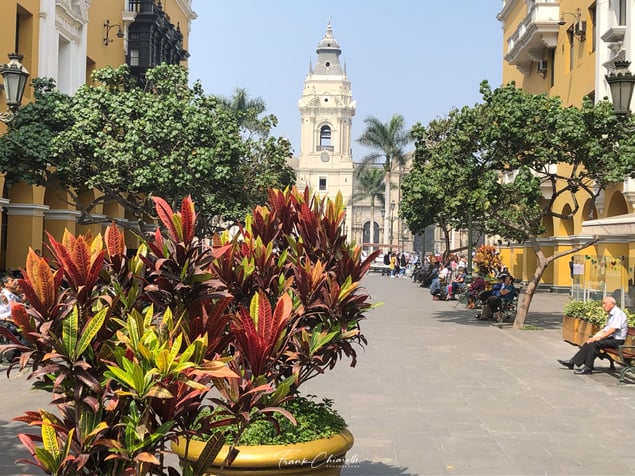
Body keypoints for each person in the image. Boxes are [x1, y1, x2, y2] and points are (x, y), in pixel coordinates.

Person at [557, 296, 628, 374]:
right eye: (603, 304)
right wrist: (594, 337)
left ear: (612, 304)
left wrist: (599, 338)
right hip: (611, 339)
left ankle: (588, 368)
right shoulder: (611, 314)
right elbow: (605, 330)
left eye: (604, 304)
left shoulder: (618, 314)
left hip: (617, 341)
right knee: (590, 342)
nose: (603, 306)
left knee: (594, 344)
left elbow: (613, 329)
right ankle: (572, 362)